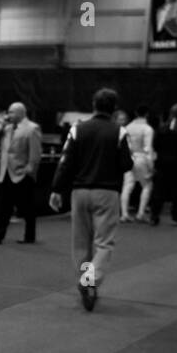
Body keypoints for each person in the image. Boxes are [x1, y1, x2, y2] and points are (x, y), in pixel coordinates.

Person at [48, 88, 133, 311]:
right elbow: (127, 164)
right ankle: (90, 282)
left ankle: (86, 281)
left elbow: (65, 161)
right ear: (114, 108)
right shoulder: (119, 131)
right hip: (107, 193)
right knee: (104, 242)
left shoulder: (78, 129)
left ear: (93, 105)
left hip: (80, 192)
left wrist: (57, 189)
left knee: (81, 242)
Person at [0, 101, 42, 244]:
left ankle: (30, 236)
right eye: (8, 112)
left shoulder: (32, 128)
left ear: (21, 113)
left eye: (11, 112)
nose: (8, 115)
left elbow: (35, 154)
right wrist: (1, 125)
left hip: (23, 173)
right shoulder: (6, 128)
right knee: (3, 207)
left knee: (27, 207)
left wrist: (29, 171)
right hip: (6, 173)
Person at [148, 103, 177, 226]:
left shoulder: (162, 128)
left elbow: (155, 145)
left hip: (162, 162)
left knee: (158, 189)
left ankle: (154, 215)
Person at [121, 104, 156, 223]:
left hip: (129, 157)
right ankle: (140, 213)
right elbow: (148, 148)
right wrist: (151, 166)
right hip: (142, 158)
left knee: (127, 185)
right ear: (147, 114)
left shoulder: (128, 127)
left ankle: (124, 213)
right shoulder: (147, 129)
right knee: (147, 185)